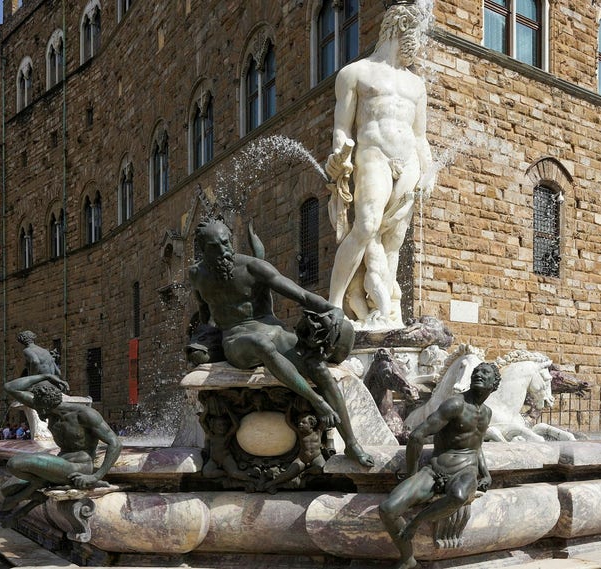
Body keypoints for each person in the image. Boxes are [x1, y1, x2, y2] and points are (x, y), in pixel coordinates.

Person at [187, 219, 373, 467]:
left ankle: (351, 444)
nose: (225, 251)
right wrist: (204, 341)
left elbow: (302, 295)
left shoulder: (253, 267)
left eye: (226, 243)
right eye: (216, 247)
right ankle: (318, 402)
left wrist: (332, 310)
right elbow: (204, 314)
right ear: (203, 249)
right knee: (260, 345)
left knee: (316, 365)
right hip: (236, 339)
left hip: (273, 331)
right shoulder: (196, 274)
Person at [325, 1, 435, 330]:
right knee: (367, 225)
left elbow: (420, 136)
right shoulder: (355, 73)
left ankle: (385, 312)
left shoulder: (416, 85)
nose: (419, 49)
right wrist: (339, 153)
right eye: (417, 38)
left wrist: (428, 170)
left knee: (395, 238)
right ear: (400, 32)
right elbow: (343, 127)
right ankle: (333, 306)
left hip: (409, 161)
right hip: (373, 155)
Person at [379, 362, 501, 569]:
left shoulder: (487, 413)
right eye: (476, 371)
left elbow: (476, 446)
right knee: (387, 509)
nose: (478, 374)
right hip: (435, 470)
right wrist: (412, 473)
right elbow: (417, 436)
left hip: (465, 470)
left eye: (485, 372)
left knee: (460, 495)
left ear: (494, 383)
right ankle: (408, 559)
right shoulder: (455, 404)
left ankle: (416, 522)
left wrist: (485, 473)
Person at [0, 373, 121, 521]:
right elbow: (10, 387)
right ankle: (38, 488)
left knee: (14, 463)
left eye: (36, 405)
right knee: (6, 489)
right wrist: (46, 376)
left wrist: (96, 476)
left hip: (78, 467)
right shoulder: (49, 410)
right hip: (60, 464)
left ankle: (38, 484)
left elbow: (115, 443)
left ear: (44, 404)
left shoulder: (84, 414)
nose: (34, 408)